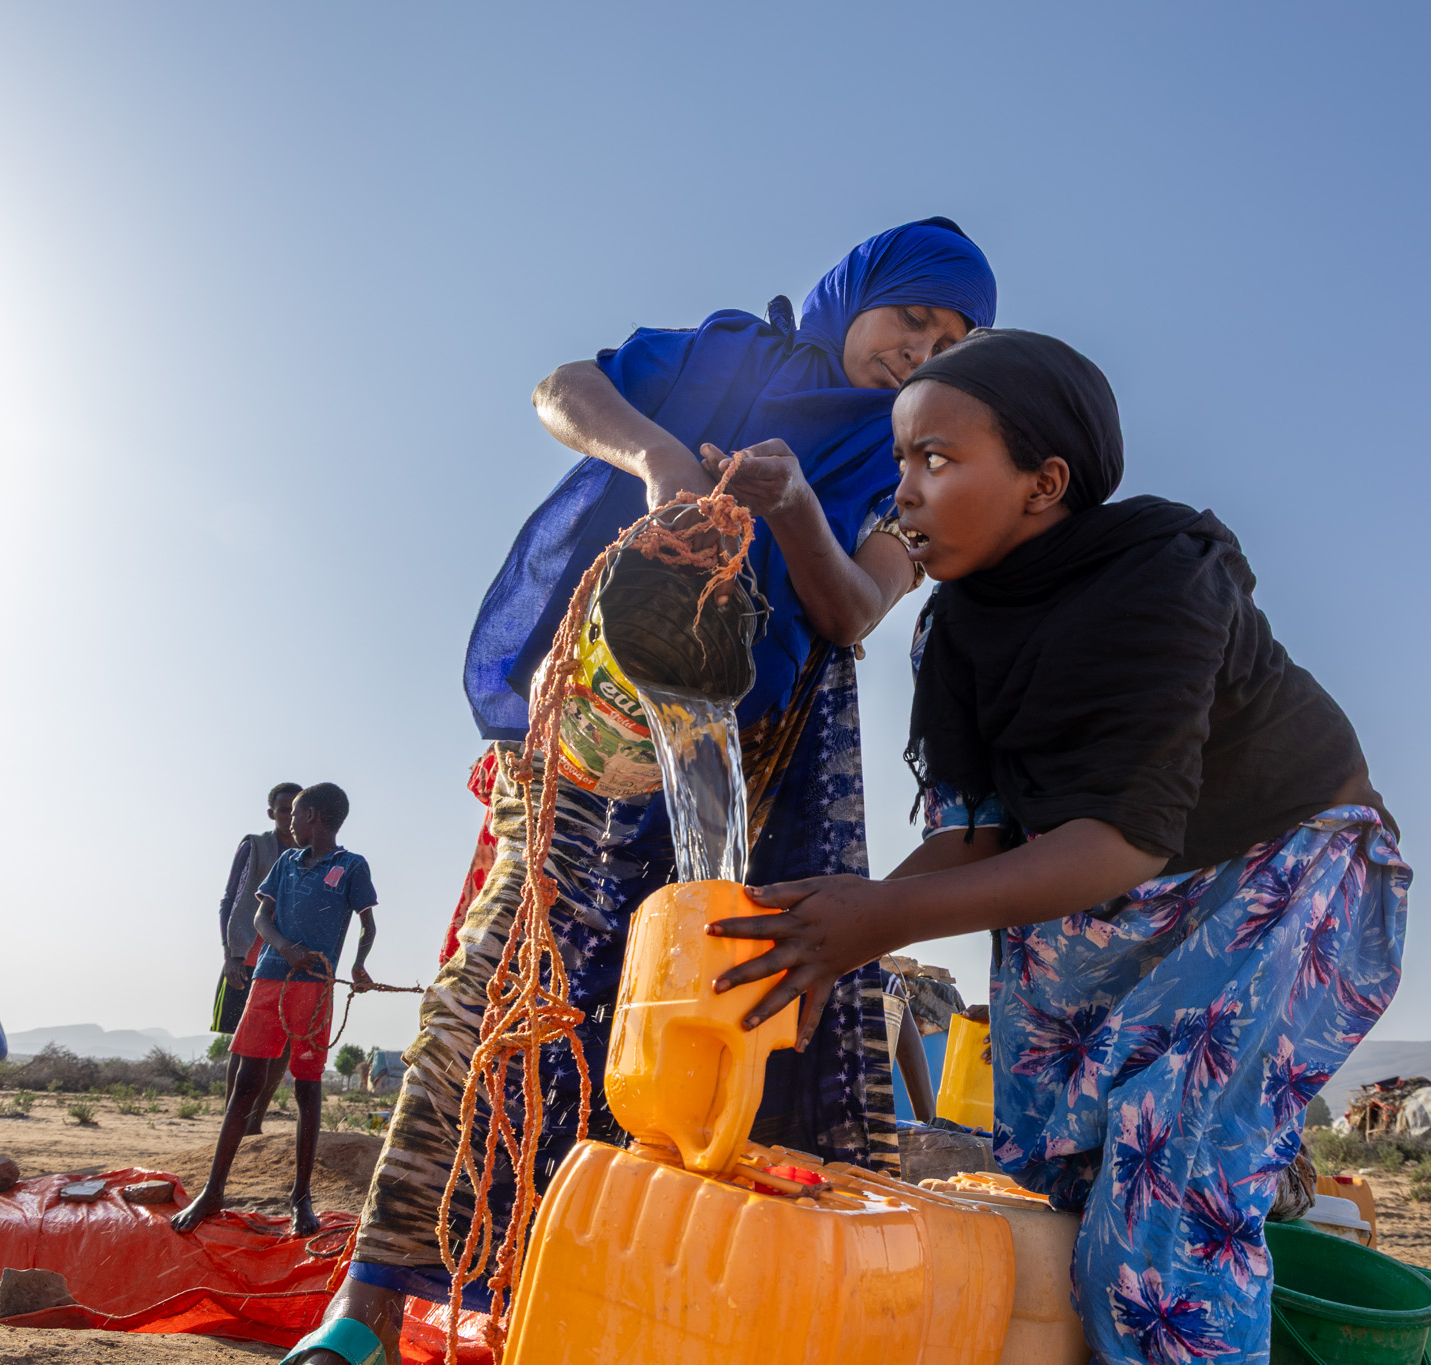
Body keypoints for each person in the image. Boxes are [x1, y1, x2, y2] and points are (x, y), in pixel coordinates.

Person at [285, 219, 997, 1365]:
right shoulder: (718, 356)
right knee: (503, 983)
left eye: (952, 338)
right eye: (910, 316)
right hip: (595, 722)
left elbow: (856, 610)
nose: (920, 348)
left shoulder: (914, 463)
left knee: (714, 1025)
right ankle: (363, 1314)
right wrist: (664, 463)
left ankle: (626, 1313)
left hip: (757, 769)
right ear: (853, 294)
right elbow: (564, 387)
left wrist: (792, 508)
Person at [707, 329, 1412, 1365]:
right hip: (1105, 889)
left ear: (1043, 484)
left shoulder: (1161, 578)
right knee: (1059, 1181)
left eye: (935, 460)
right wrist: (828, 927)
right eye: (901, 460)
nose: (902, 489)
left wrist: (877, 922)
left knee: (1170, 1181)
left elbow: (1121, 838)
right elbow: (976, 837)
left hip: (1277, 877)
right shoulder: (953, 628)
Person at [173, 782, 377, 1237]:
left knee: (307, 1091)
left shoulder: (351, 867)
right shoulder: (285, 863)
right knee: (245, 1083)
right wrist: (285, 949)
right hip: (269, 979)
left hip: (316, 988)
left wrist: (361, 964)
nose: (288, 822)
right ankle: (213, 1191)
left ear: (314, 819)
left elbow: (368, 924)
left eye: (296, 814)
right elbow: (261, 918)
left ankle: (301, 1200)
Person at [215, 781, 303, 1135]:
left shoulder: (313, 854)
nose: (289, 816)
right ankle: (232, 1123)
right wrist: (230, 954)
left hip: (289, 961)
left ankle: (255, 1124)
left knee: (280, 1046)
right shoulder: (256, 846)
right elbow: (229, 900)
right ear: (272, 813)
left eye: (295, 810)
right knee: (242, 1043)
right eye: (284, 810)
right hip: (248, 955)